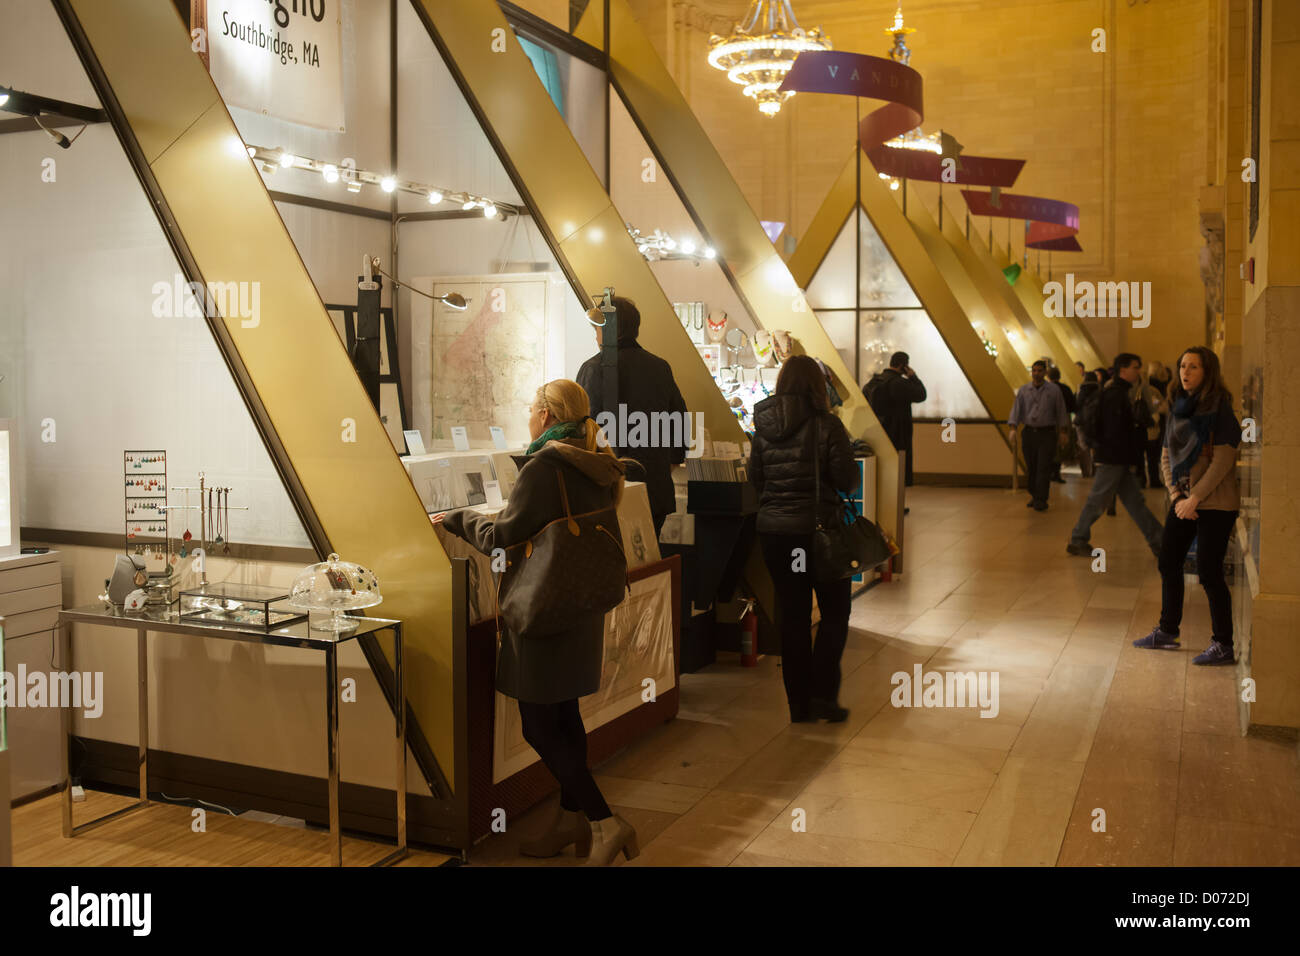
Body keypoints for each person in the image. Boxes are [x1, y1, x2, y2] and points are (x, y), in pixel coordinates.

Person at [437, 379, 639, 864]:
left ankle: (604, 820)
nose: (529, 416)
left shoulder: (545, 466)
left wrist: (458, 518)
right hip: (580, 608)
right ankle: (572, 822)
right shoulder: (595, 460)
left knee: (538, 726)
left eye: (531, 408)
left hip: (542, 611)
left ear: (547, 416)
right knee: (565, 717)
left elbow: (502, 536)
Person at [750, 355, 858, 723]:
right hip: (817, 534)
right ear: (818, 385)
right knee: (835, 613)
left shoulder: (762, 426)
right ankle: (823, 696)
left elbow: (756, 480)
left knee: (793, 617)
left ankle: (799, 705)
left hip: (777, 536)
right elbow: (847, 480)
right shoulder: (827, 425)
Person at [1134, 347, 1242, 666]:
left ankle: (1223, 644)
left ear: (1208, 372)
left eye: (1194, 367)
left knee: (1209, 572)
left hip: (1216, 504)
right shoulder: (1178, 407)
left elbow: (1222, 460)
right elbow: (1166, 454)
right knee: (1168, 561)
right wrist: (1178, 498)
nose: (1186, 372)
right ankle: (1168, 631)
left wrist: (1195, 498)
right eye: (1182, 365)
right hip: (1183, 500)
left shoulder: (1220, 409)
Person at [576, 296, 688, 539]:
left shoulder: (593, 369)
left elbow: (582, 426)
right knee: (646, 565)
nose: (595, 336)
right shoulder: (660, 367)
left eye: (597, 330)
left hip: (609, 490)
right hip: (654, 489)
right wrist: (668, 463)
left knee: (613, 565)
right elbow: (680, 420)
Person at [1065, 353, 1164, 558]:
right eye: (1135, 367)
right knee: (1098, 500)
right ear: (1123, 369)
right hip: (1113, 457)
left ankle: (1159, 541)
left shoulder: (1119, 392)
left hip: (1117, 457)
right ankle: (1078, 538)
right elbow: (1115, 431)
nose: (1139, 371)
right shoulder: (1115, 395)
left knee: (1134, 502)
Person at [1008, 360, 1069, 511]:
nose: (1036, 373)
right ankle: (1034, 495)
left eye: (1040, 371)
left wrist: (1063, 431)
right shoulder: (1024, 390)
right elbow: (1016, 409)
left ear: (1045, 372)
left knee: (1043, 467)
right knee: (1032, 467)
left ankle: (1041, 499)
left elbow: (1061, 411)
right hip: (1029, 433)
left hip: (1046, 433)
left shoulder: (1054, 390)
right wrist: (1013, 428)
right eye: (1034, 370)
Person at [863, 351, 927, 486]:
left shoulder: (873, 382)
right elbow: (921, 395)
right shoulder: (900, 383)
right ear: (903, 366)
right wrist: (913, 377)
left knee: (881, 470)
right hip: (899, 434)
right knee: (898, 471)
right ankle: (896, 505)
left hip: (877, 432)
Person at [1047, 365, 1075, 483]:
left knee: (1050, 446)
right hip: (1064, 419)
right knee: (1062, 446)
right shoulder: (1066, 388)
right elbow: (1073, 405)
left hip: (1049, 420)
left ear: (1048, 376)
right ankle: (1057, 473)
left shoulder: (1046, 389)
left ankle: (1050, 472)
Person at [1074, 370, 1100, 478]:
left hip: (1081, 421)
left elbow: (1076, 406)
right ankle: (1095, 469)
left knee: (1083, 446)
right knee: (1094, 445)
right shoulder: (1100, 391)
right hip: (1095, 421)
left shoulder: (1081, 390)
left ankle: (1085, 470)